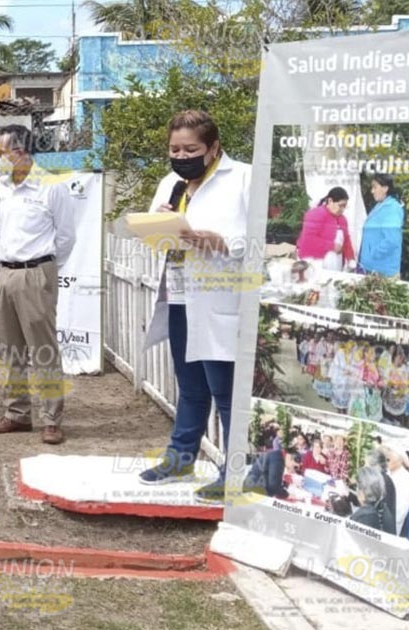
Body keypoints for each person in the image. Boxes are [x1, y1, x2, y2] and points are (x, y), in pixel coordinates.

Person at [137, 110, 251, 505]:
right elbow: (154, 233)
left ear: (214, 148)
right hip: (181, 292)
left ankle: (237, 469)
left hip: (222, 294)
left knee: (225, 385)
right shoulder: (171, 183)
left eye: (190, 149)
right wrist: (160, 225)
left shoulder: (242, 179)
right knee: (188, 383)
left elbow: (265, 238)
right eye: (174, 149)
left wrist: (223, 242)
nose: (181, 155)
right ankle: (181, 455)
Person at [0, 125, 77, 445]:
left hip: (36, 273)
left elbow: (66, 237)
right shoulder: (2, 186)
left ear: (20, 152)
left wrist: (44, 270)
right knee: (10, 349)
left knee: (43, 349)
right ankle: (17, 414)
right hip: (4, 273)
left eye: (1, 152)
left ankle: (52, 419)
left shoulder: (50, 187)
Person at [296, 187, 355, 272]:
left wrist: (350, 258)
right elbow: (308, 240)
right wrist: (332, 246)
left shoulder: (343, 220)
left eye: (344, 206)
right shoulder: (315, 214)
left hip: (335, 263)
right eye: (340, 205)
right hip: (315, 262)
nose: (342, 209)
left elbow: (346, 240)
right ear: (330, 201)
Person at [358, 173, 405, 277]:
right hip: (373, 268)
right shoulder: (381, 205)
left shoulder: (392, 208)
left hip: (382, 272)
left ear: (385, 188)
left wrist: (373, 255)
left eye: (375, 187)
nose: (372, 191)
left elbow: (392, 241)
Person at [350, 466, 396, 533]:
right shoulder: (383, 508)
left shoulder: (362, 517)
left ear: (363, 493)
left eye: (356, 487)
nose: (356, 491)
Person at [384, 446, 409, 537]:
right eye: (387, 459)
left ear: (399, 461)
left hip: (392, 525)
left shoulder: (407, 479)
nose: (387, 462)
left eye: (389, 459)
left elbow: (401, 510)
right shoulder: (388, 473)